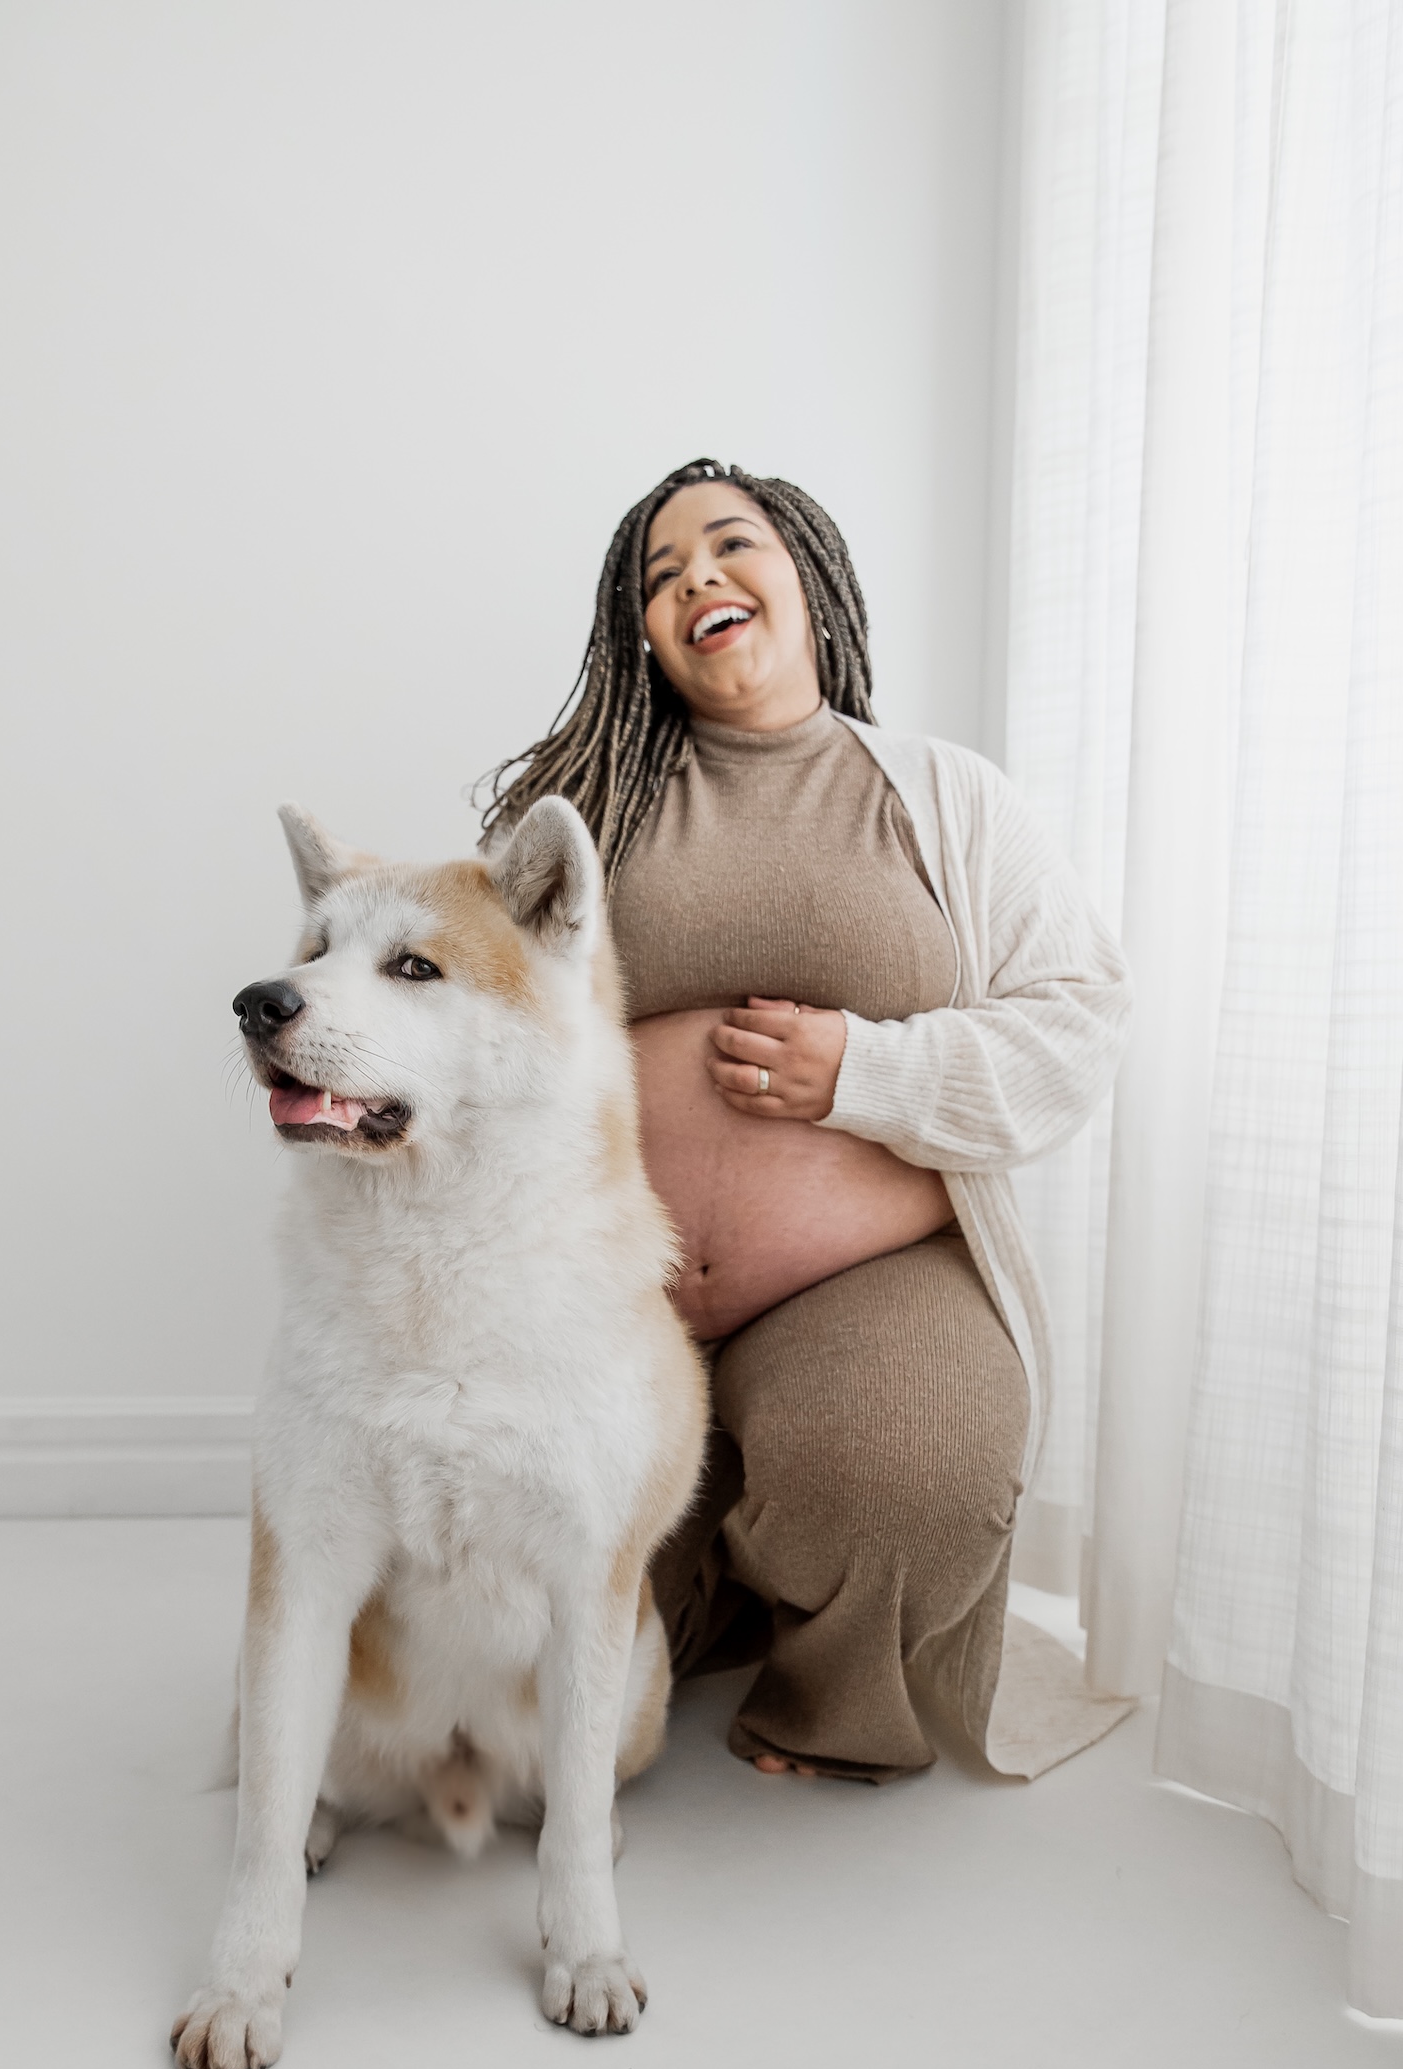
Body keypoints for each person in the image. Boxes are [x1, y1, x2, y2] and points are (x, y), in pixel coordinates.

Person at [481, 457, 1131, 1783]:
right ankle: (710, 1577)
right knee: (516, 1697)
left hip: (866, 1278)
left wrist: (861, 1073)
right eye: (659, 578)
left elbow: (1078, 1016)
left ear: (813, 580)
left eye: (731, 547)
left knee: (903, 1461)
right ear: (638, 635)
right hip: (602, 1297)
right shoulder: (578, 812)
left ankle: (832, 1697)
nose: (697, 580)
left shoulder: (947, 800)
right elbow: (463, 1029)